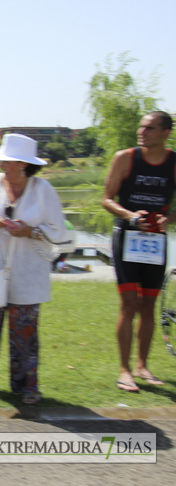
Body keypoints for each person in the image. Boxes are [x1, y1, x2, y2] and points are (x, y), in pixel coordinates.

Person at [0, 133, 68, 405]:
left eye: (7, 161)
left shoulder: (43, 190)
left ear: (23, 164)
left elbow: (60, 232)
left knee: (25, 332)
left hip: (28, 273)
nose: (1, 166)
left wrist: (30, 231)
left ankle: (26, 386)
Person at [102, 111, 174, 392]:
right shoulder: (125, 158)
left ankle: (143, 365)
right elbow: (106, 199)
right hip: (127, 236)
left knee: (148, 307)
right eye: (141, 127)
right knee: (129, 304)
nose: (142, 132)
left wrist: (170, 218)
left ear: (166, 133)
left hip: (156, 241)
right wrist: (130, 216)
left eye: (150, 128)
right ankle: (124, 370)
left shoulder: (174, 162)